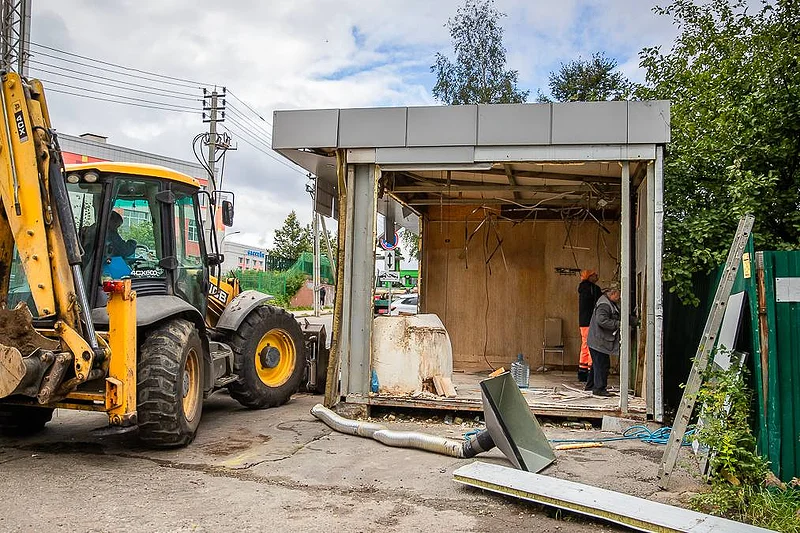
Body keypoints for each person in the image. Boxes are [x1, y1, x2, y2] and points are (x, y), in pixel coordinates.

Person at [586, 284, 621, 397]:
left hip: (596, 339)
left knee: (597, 364)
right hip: (599, 340)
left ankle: (591, 385)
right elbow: (602, 321)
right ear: (613, 293)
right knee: (602, 364)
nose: (619, 298)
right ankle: (599, 389)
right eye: (618, 295)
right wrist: (619, 324)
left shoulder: (608, 302)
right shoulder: (604, 305)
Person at [577, 269, 601, 383]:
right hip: (591, 321)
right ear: (590, 277)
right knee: (592, 345)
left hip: (583, 322)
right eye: (595, 275)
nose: (597, 276)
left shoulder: (583, 288)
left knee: (585, 345)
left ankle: (583, 370)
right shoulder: (593, 289)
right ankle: (591, 371)